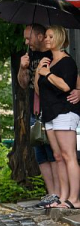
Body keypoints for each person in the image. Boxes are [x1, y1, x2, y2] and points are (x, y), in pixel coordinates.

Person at [34, 25, 80, 210]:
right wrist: (39, 71)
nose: (46, 39)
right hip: (50, 114)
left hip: (64, 112)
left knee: (69, 156)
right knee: (58, 156)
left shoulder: (66, 62)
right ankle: (62, 196)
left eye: (50, 36)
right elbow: (39, 90)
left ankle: (75, 199)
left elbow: (66, 86)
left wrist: (48, 74)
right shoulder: (48, 62)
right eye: (45, 36)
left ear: (60, 39)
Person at [17, 23, 60, 208]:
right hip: (35, 111)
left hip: (51, 110)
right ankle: (50, 193)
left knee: (53, 153)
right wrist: (22, 68)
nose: (27, 42)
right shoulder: (29, 56)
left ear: (41, 36)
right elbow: (23, 84)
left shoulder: (53, 55)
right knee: (40, 154)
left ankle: (59, 193)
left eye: (29, 38)